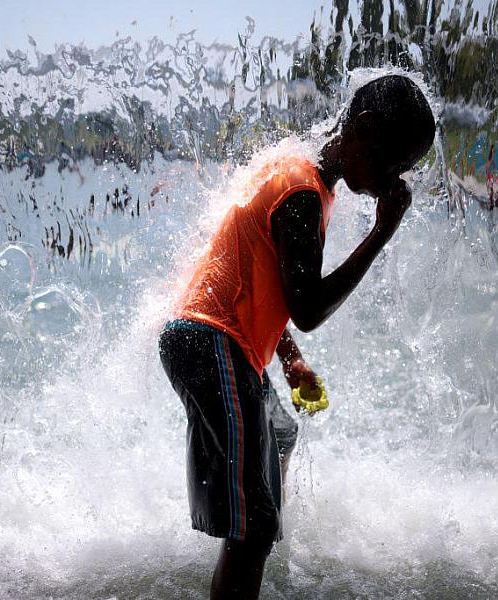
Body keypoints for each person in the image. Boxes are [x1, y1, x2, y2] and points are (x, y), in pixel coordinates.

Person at [159, 73, 436, 599]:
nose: (389, 183)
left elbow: (258, 277)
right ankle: (250, 524)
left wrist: (288, 359)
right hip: (209, 339)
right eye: (392, 163)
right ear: (364, 127)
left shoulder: (300, 172)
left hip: (217, 339)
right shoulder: (303, 192)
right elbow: (306, 307)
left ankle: (249, 517)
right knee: (257, 526)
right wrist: (380, 234)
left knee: (281, 434)